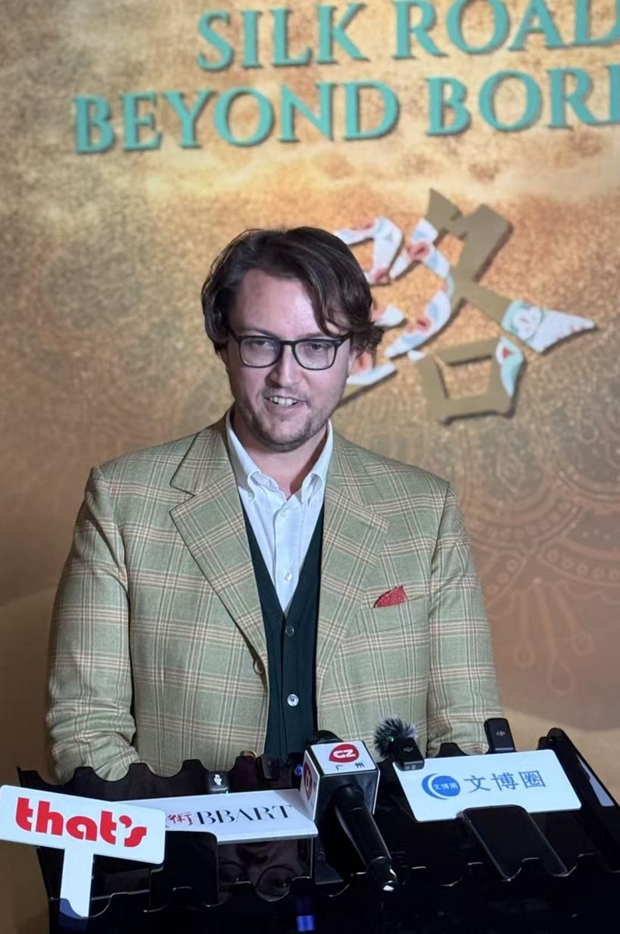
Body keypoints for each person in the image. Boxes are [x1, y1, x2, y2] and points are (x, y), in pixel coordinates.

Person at [47, 227, 502, 783]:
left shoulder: (425, 511)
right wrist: (179, 832)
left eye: (316, 346)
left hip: (384, 836)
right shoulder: (122, 500)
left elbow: (468, 732)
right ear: (224, 344)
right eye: (262, 343)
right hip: (188, 836)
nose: (286, 376)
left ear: (355, 353)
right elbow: (86, 727)